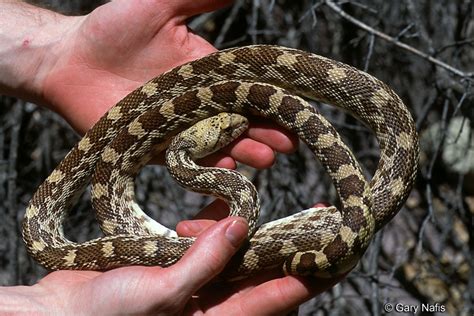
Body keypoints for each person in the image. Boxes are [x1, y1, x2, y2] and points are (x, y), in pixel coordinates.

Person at [0, 0, 344, 314]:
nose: (235, 126)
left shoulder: (189, 142)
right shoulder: (193, 168)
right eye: (224, 133)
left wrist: (58, 50)